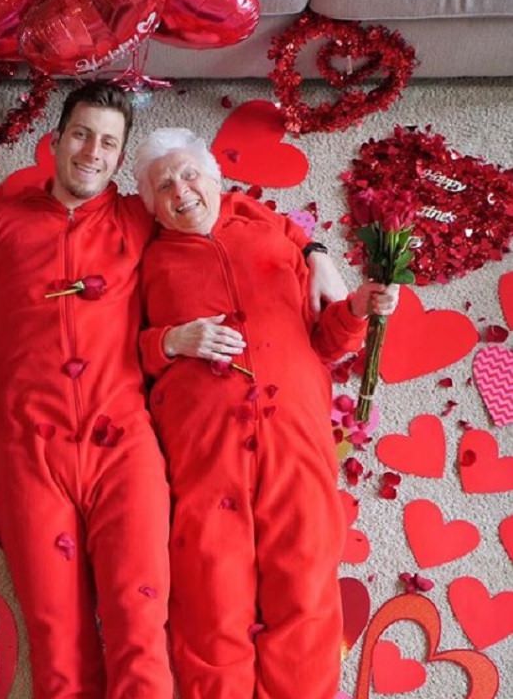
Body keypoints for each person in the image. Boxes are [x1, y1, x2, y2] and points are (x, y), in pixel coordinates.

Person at [0, 83, 350, 699]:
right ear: (57, 139)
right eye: (82, 135)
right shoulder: (0, 219)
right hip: (27, 445)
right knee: (56, 635)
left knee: (142, 622)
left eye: (109, 143)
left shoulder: (138, 214)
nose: (92, 152)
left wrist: (318, 251)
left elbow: (224, 210)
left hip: (125, 443)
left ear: (120, 164)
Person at [133, 128, 399, 699]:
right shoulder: (146, 261)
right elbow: (118, 353)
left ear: (215, 179)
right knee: (210, 590)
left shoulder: (269, 233)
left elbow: (326, 343)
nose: (180, 190)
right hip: (205, 447)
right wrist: (172, 341)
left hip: (295, 436)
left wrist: (355, 307)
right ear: (151, 205)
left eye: (189, 174)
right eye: (163, 185)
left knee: (305, 586)